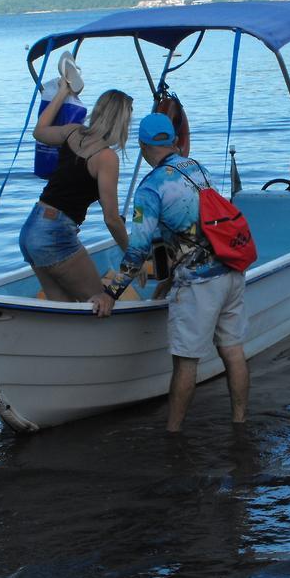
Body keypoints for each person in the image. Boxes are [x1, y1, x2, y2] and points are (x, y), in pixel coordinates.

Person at [91, 112, 249, 432]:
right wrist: (166, 280)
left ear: (142, 146)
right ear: (174, 142)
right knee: (232, 352)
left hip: (200, 283)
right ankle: (240, 424)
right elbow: (192, 228)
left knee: (185, 362)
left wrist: (111, 293)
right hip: (231, 270)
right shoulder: (196, 168)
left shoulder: (150, 188)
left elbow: (137, 250)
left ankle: (173, 434)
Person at [19, 81, 133, 301]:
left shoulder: (73, 132)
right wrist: (131, 255)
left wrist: (62, 92)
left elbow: (39, 131)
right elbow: (111, 219)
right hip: (55, 233)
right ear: (122, 122)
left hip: (32, 228)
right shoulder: (107, 157)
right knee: (100, 301)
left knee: (62, 309)